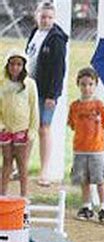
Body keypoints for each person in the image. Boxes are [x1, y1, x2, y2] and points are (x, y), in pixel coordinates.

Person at [26, 1, 68, 186]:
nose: (46, 20)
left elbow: (60, 69)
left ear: (54, 18)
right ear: (37, 16)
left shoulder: (57, 39)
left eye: (50, 17)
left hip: (46, 91)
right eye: (43, 16)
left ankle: (45, 171)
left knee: (44, 128)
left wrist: (53, 94)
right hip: (30, 88)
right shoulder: (35, 33)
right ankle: (23, 166)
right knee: (27, 128)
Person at [67, 67, 104, 225]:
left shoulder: (99, 105)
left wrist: (97, 132)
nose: (87, 88)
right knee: (84, 179)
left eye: (90, 84)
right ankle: (86, 206)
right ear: (78, 84)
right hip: (80, 148)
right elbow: (72, 124)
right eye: (83, 84)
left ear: (95, 85)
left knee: (99, 179)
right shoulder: (74, 106)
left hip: (96, 149)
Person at [0, 50, 39, 197]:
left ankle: (24, 196)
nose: (15, 68)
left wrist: (32, 131)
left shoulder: (30, 84)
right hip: (5, 130)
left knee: (22, 163)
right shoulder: (2, 84)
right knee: (7, 162)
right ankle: (2, 195)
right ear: (7, 65)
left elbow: (34, 108)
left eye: (19, 64)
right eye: (12, 64)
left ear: (24, 66)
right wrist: (1, 126)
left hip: (23, 130)